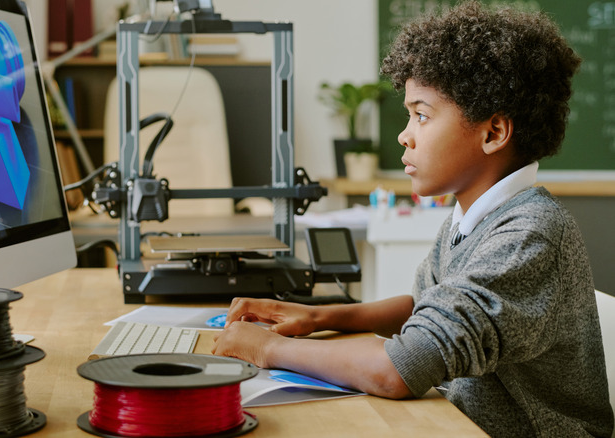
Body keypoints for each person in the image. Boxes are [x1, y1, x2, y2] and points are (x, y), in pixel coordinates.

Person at [212, 2, 614, 436]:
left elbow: (396, 370)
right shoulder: (469, 218)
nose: (405, 134)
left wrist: (267, 348)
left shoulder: (528, 235)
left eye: (421, 115)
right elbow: (422, 307)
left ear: (493, 132)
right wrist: (321, 317)